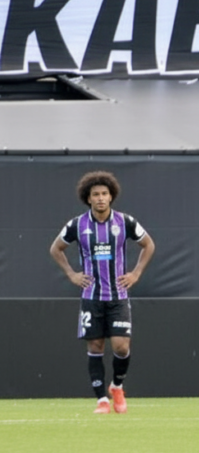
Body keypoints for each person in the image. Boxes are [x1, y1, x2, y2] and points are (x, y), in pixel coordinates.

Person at [49, 172, 156, 415]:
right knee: (96, 346)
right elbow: (56, 248)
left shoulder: (125, 222)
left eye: (104, 194)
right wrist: (71, 274)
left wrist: (136, 273)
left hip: (118, 296)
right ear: (88, 198)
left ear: (111, 196)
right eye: (95, 194)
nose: (100, 198)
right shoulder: (77, 225)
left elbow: (149, 244)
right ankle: (101, 401)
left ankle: (117, 386)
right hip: (91, 297)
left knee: (121, 346)